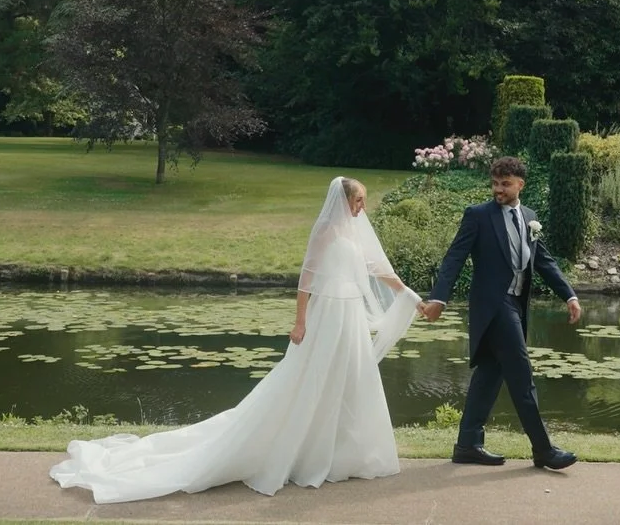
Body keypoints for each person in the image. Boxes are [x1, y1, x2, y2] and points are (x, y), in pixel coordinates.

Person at [49, 178, 415, 500]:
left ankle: (343, 453)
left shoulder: (356, 234)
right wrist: (300, 322)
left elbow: (380, 270)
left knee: (350, 379)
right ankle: (300, 453)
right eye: (358, 200)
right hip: (327, 315)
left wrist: (410, 296)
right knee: (311, 379)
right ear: (342, 201)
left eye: (363, 201)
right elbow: (306, 281)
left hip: (349, 316)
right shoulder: (325, 233)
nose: (362, 207)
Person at [418, 156, 580, 469]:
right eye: (495, 183)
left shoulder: (530, 217)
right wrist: (439, 298)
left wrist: (569, 295)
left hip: (516, 306)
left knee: (490, 375)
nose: (498, 189)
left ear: (521, 184)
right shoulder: (478, 215)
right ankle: (543, 449)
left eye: (505, 184)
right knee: (522, 377)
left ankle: (467, 444)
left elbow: (543, 261)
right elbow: (454, 257)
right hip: (495, 306)